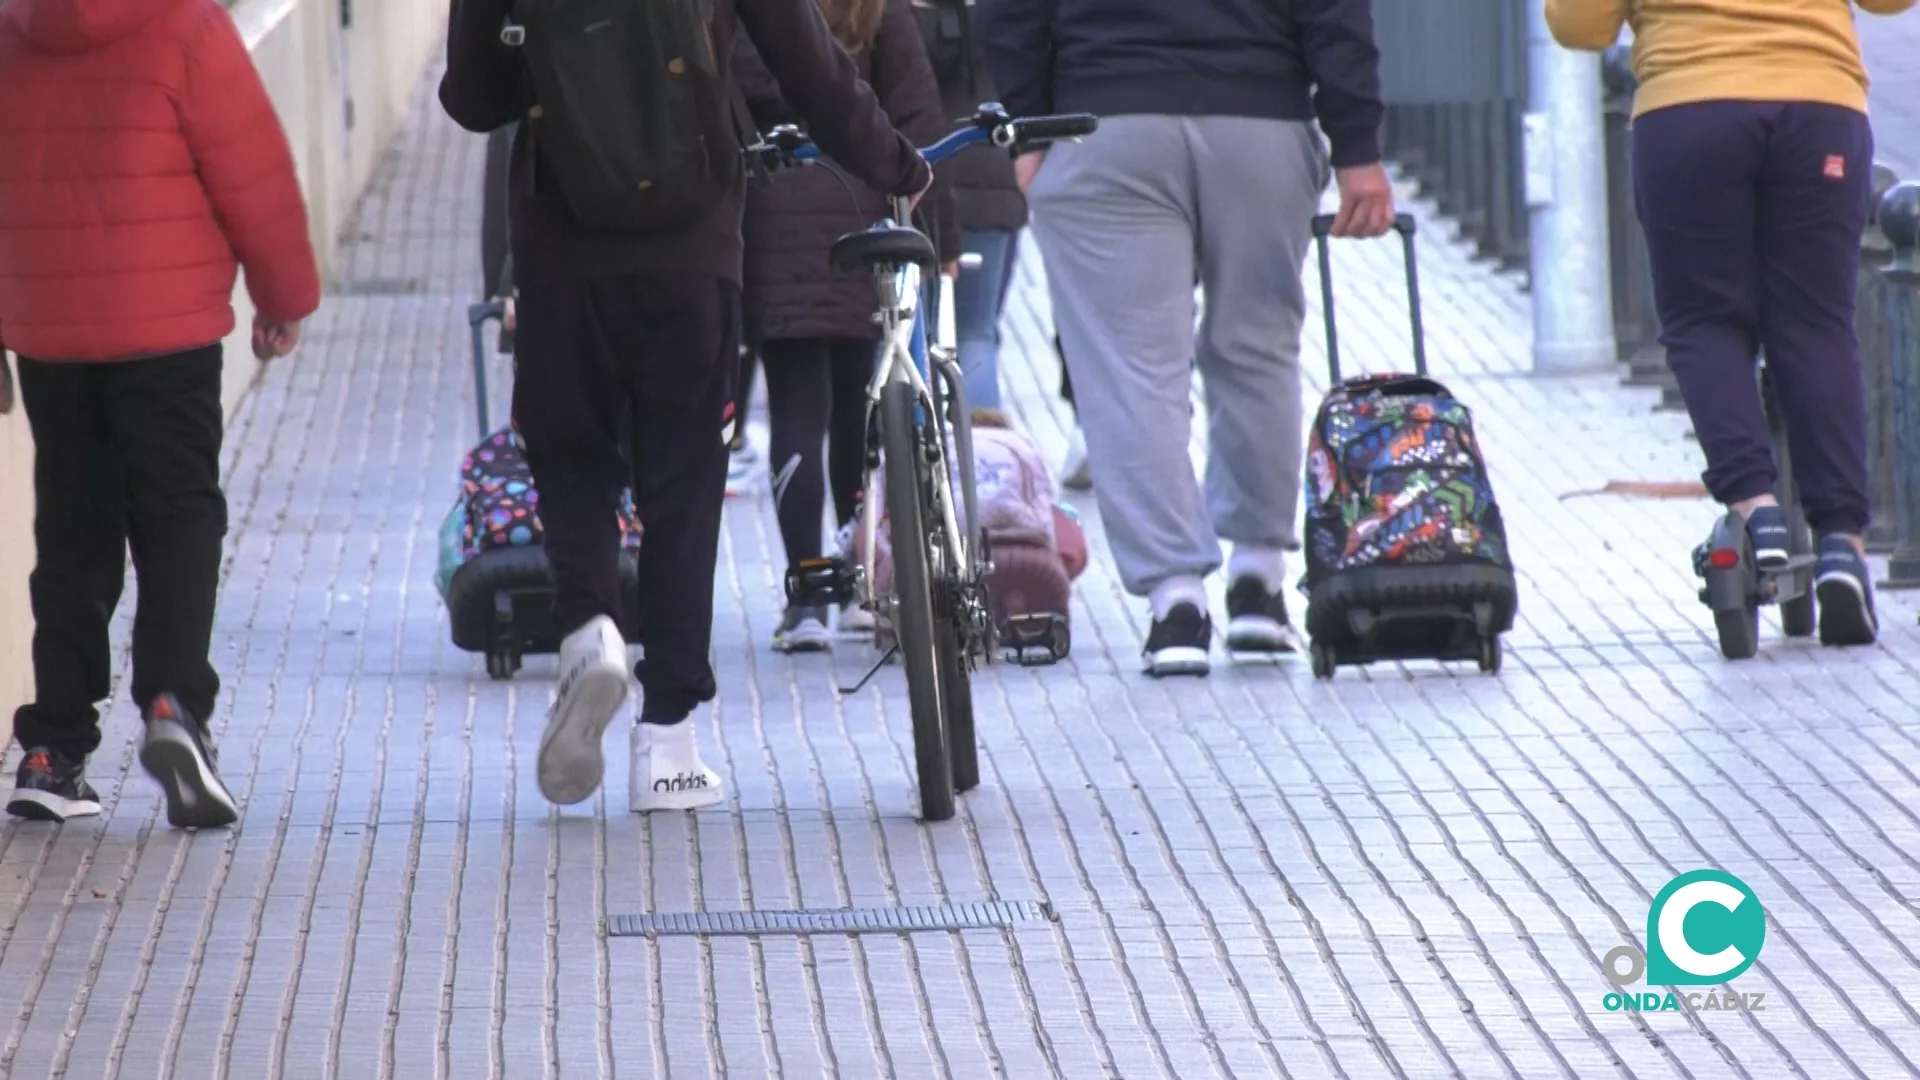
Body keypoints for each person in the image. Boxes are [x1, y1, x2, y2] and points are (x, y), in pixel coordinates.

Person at [440, 0, 934, 813]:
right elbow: (810, 64)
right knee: (684, 484)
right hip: (692, 250)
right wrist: (899, 165)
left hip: (561, 251)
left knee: (572, 459)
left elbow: (471, 98)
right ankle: (667, 743)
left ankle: (590, 630)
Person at [977, 0, 1396, 677]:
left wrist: (1028, 131)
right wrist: (1357, 146)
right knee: (1258, 348)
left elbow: (1010, 11)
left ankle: (1176, 604)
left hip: (1103, 120)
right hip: (1260, 117)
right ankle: (1258, 583)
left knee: (1131, 370)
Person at [0, 0, 321, 826]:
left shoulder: (14, 29)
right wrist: (283, 295)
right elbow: (249, 167)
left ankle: (51, 749)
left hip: (51, 333)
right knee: (179, 514)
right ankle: (175, 706)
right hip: (167, 331)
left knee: (72, 528)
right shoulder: (186, 25)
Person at [1548, 0, 1914, 647]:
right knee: (1816, 326)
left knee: (1704, 321)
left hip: (1688, 117)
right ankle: (1840, 544)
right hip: (1817, 109)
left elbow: (1578, 25)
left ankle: (1755, 507)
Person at [738, 0, 959, 652]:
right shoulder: (879, 10)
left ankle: (808, 597)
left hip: (771, 218)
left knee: (796, 408)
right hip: (860, 214)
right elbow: (918, 119)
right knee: (858, 413)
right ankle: (863, 580)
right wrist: (941, 233)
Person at [912, 0, 1022, 412]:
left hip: (914, 176)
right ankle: (983, 447)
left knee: (908, 331)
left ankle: (909, 440)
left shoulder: (891, 16)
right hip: (989, 177)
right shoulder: (997, 13)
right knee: (977, 331)